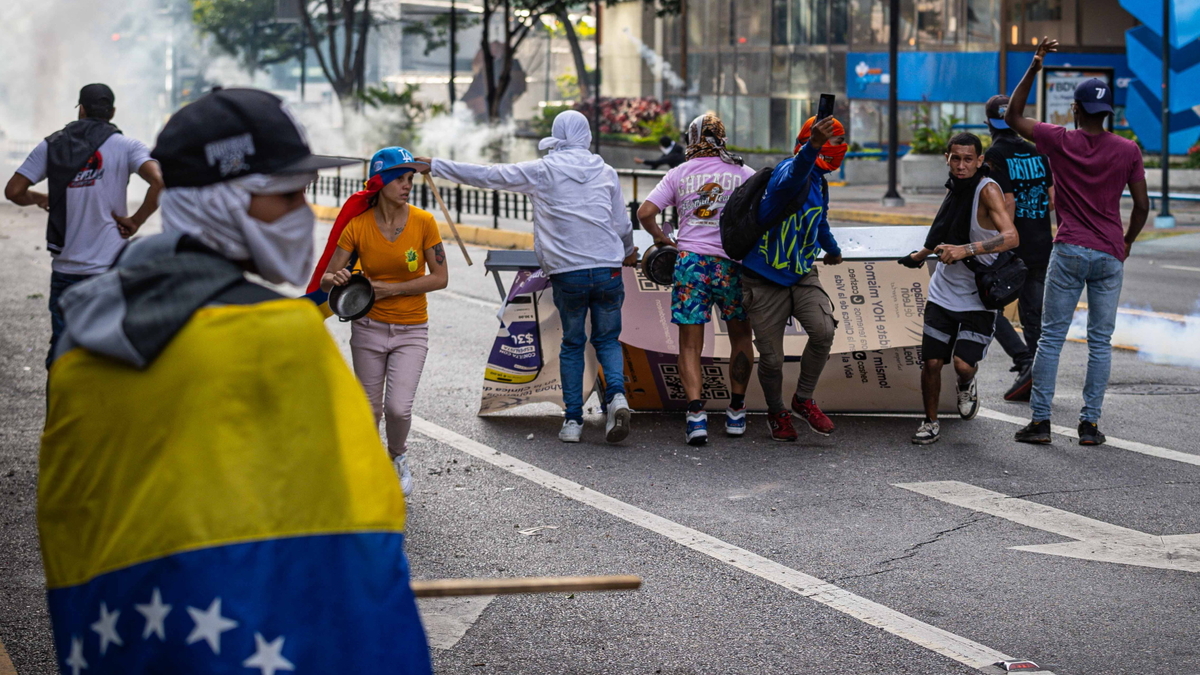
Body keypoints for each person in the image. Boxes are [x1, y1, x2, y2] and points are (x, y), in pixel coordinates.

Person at [39, 88, 432, 674]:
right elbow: (358, 522)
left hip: (119, 642)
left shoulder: (82, 334)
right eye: (287, 195)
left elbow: (69, 517)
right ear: (227, 201)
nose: (305, 212)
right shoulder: (280, 340)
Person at [416, 110, 636, 444]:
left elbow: (491, 176)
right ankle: (617, 398)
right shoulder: (605, 172)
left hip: (569, 273)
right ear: (586, 135)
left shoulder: (543, 171)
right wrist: (629, 251)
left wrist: (437, 165)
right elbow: (622, 225)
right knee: (607, 340)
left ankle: (573, 421)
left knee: (573, 343)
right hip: (607, 268)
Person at [1004, 39, 1150, 446]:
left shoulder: (1060, 140)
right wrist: (1127, 241)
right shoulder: (1128, 150)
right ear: (1107, 112)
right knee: (1100, 343)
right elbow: (1142, 205)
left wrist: (1035, 67)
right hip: (1108, 253)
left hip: (1068, 249)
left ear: (1076, 109)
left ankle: (1041, 423)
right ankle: (1089, 425)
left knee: (1051, 338)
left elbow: (1013, 115)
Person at [4, 83, 163, 368]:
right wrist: (136, 221)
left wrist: (40, 198)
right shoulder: (128, 146)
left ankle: (60, 411)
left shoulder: (51, 144)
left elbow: (13, 191)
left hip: (67, 270)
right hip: (111, 269)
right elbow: (158, 181)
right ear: (112, 112)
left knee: (64, 357)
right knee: (111, 357)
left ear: (81, 109)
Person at [319, 147, 447, 497]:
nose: (407, 185)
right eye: (400, 179)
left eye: (410, 179)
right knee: (370, 407)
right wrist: (339, 278)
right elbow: (328, 277)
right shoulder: (357, 227)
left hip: (411, 330)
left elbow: (440, 278)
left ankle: (397, 456)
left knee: (398, 408)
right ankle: (368, 467)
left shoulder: (424, 222)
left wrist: (391, 289)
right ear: (381, 182)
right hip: (368, 329)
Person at [637, 113, 757, 445]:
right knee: (741, 337)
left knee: (690, 344)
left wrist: (662, 238)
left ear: (691, 139)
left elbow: (645, 213)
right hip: (731, 265)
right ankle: (736, 411)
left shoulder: (678, 173)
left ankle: (696, 416)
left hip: (691, 264)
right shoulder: (742, 173)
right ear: (722, 137)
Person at [898, 133, 1019, 445]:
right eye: (955, 159)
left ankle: (966, 384)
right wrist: (921, 255)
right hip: (943, 292)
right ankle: (930, 421)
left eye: (968, 159)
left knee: (963, 364)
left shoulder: (987, 190)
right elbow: (943, 229)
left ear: (980, 161)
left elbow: (1011, 237)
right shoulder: (954, 189)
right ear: (947, 159)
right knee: (932, 362)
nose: (961, 165)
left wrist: (966, 250)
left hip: (980, 296)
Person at [740, 115, 845, 441]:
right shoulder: (790, 171)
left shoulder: (820, 182)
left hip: (802, 272)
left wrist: (833, 249)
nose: (839, 150)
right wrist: (813, 145)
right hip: (762, 277)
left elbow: (820, 221)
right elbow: (798, 171)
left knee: (824, 330)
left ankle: (803, 399)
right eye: (834, 143)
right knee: (771, 359)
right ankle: (777, 412)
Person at [983, 94, 1055, 402]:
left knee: (985, 305)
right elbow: (1053, 199)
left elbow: (1007, 202)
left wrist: (1000, 245)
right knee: (1033, 313)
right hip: (1041, 242)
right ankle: (1039, 375)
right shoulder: (1037, 151)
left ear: (989, 124)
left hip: (1013, 247)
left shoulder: (995, 155)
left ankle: (1024, 360)